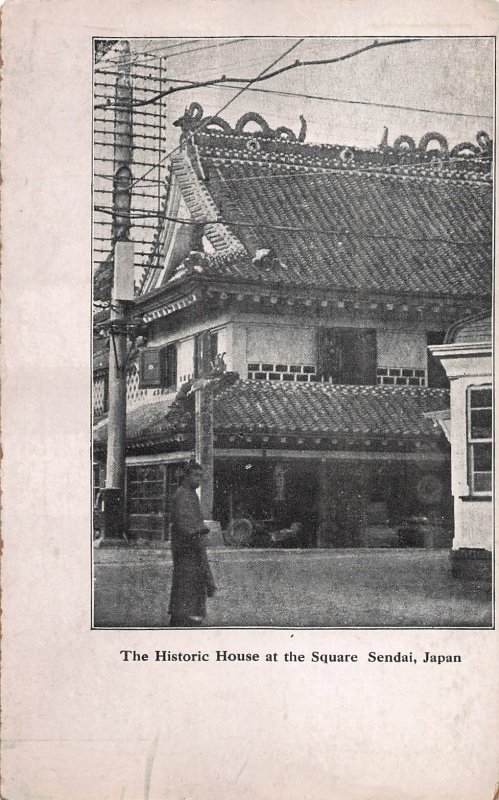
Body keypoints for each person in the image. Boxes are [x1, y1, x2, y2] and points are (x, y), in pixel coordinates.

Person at [168, 460, 217, 627]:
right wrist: (200, 530)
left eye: (201, 476)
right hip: (186, 547)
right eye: (195, 475)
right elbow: (184, 524)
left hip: (192, 545)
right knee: (187, 582)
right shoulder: (182, 495)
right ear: (186, 476)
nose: (199, 479)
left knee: (194, 583)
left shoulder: (191, 494)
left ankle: (188, 617)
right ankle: (184, 619)